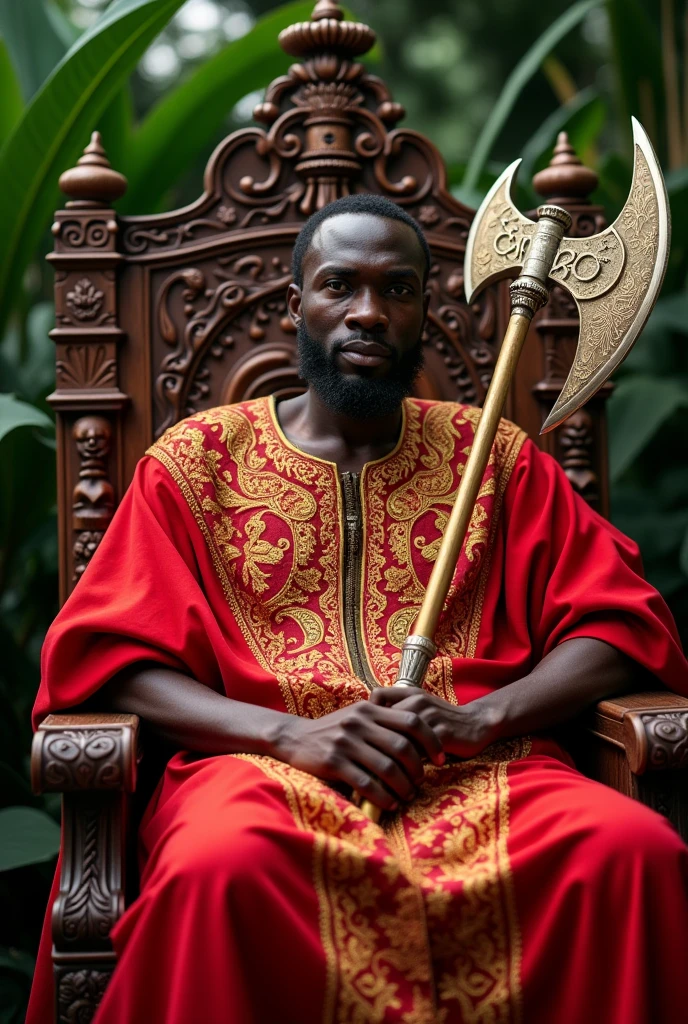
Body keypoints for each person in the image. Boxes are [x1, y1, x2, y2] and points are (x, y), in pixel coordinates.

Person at [28, 194, 688, 1024]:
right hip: (259, 771)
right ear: (297, 300)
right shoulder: (195, 464)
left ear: (424, 309)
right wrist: (287, 732)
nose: (369, 312)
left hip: (485, 768)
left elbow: (619, 625)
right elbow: (108, 658)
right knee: (214, 867)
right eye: (340, 285)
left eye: (398, 290)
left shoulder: (498, 458)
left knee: (630, 850)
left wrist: (483, 718)